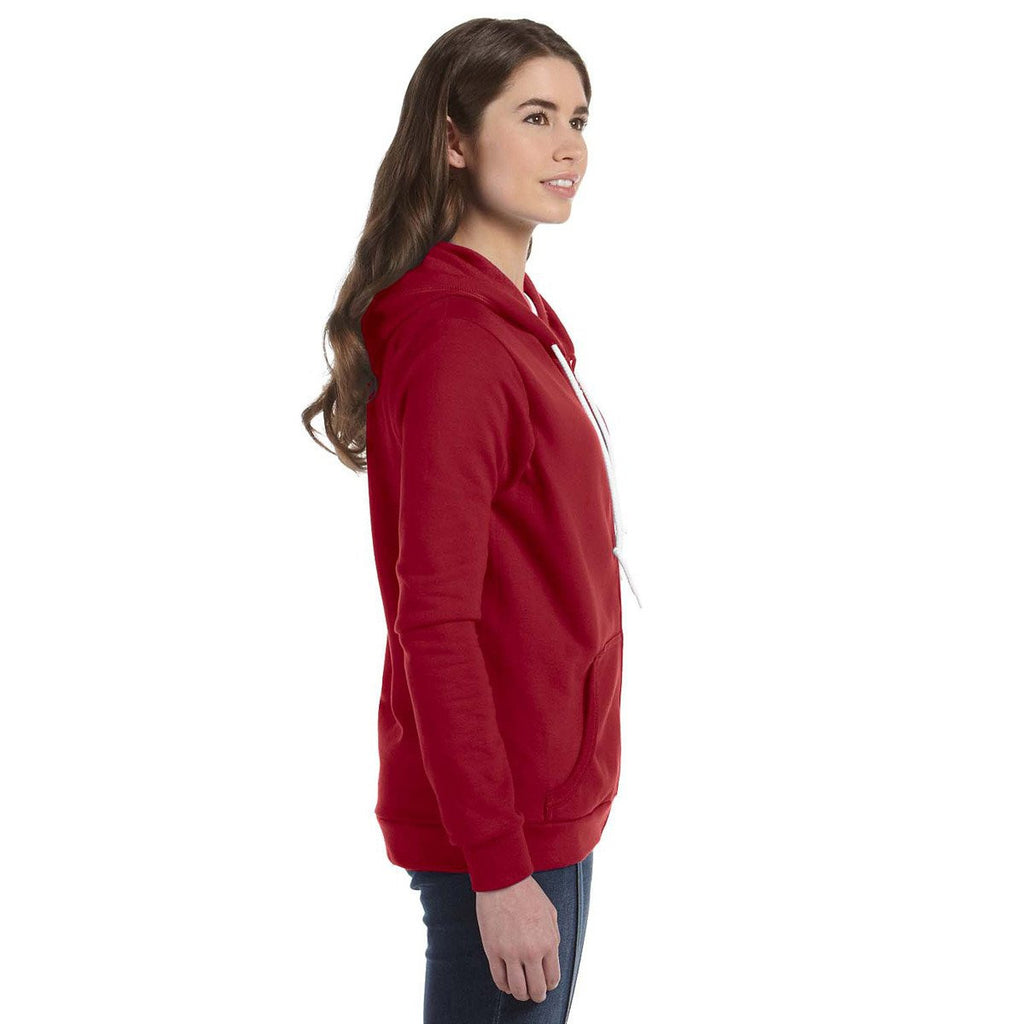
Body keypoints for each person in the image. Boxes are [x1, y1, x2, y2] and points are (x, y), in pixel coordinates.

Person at [302, 17, 640, 1023]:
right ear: (453, 138)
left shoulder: (514, 323)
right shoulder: (459, 342)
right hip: (504, 827)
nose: (568, 147)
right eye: (535, 117)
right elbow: (435, 621)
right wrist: (497, 865)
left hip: (538, 805)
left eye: (578, 119)